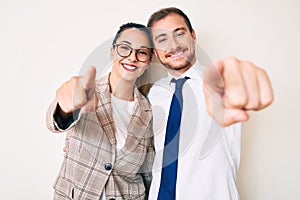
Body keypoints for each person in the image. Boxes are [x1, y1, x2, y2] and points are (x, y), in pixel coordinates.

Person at [145, 7, 274, 200]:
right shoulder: (153, 93)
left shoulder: (220, 82)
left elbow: (238, 84)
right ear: (155, 51)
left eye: (179, 34)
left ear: (193, 36)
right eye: (162, 39)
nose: (173, 45)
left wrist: (245, 83)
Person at [46, 23, 155, 200]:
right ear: (112, 52)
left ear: (148, 61)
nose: (132, 57)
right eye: (125, 48)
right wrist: (64, 109)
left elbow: (148, 172)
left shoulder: (148, 111)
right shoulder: (87, 91)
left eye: (142, 52)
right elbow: (55, 122)